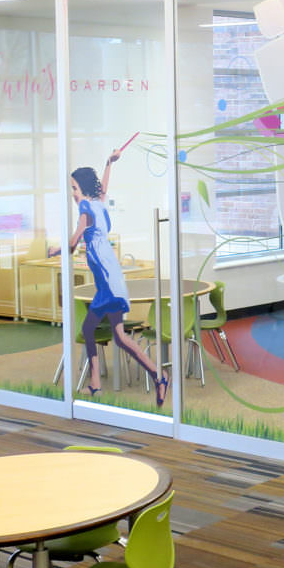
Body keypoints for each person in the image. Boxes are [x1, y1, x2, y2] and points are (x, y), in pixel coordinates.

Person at [52, 145, 167, 405]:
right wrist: (109, 162)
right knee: (117, 335)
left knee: (91, 328)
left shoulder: (84, 209)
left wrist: (54, 249)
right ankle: (157, 376)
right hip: (113, 277)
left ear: (81, 189)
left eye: (73, 187)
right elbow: (103, 189)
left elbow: (72, 244)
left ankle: (98, 384)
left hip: (107, 280)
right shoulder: (98, 205)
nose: (72, 193)